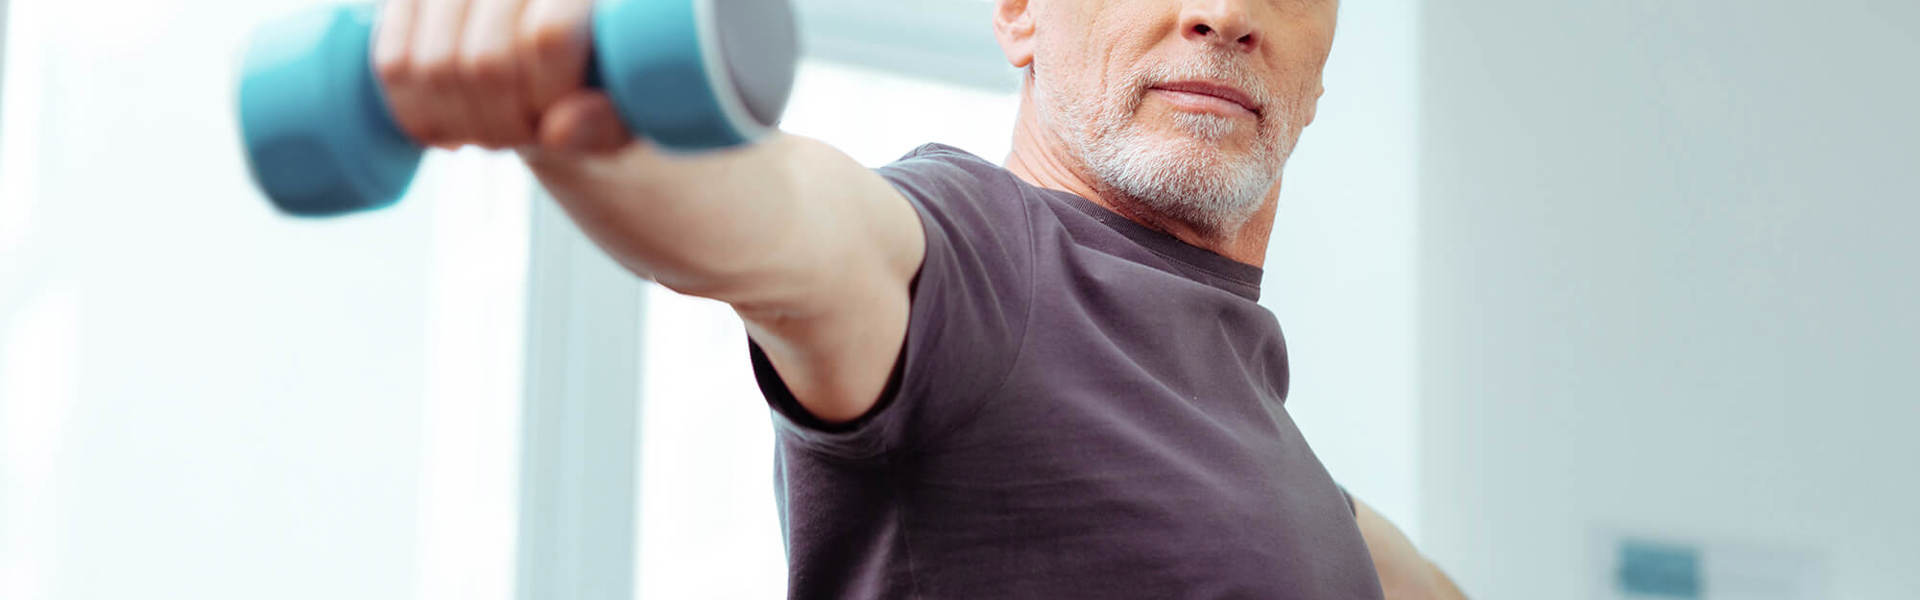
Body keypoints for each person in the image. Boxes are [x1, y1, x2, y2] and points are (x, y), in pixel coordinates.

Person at [372, 0, 1465, 597]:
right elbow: (793, 224)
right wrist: (583, 114)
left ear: (1323, 68)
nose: (1225, 13)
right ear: (1021, 12)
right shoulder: (980, 259)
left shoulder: (1267, 442)